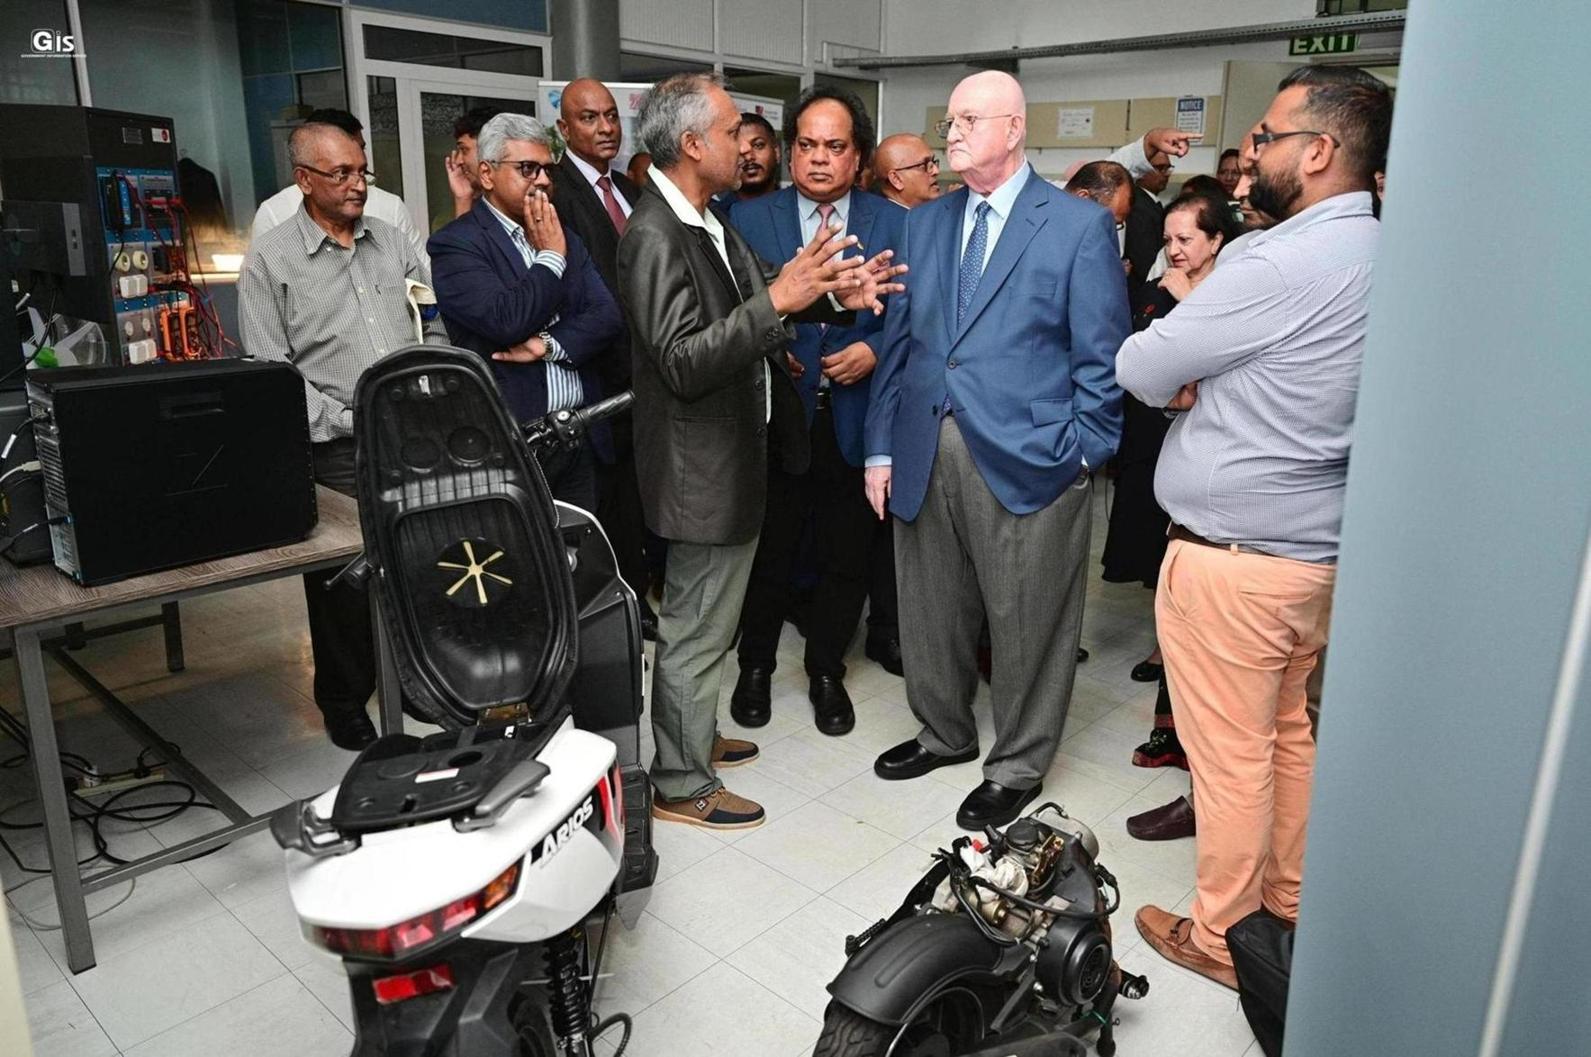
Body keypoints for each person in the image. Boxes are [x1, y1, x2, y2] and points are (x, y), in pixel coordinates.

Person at [1116, 65, 1393, 990]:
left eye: (1268, 137)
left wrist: (1192, 371)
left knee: (1231, 759)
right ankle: (1288, 901)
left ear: (1317, 152)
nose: (1252, 153)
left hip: (1234, 563)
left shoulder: (1275, 260)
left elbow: (1142, 364)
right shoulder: (1382, 248)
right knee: (1286, 736)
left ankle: (1222, 934)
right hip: (1312, 554)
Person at [618, 73, 904, 829]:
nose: (747, 148)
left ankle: (691, 737)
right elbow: (683, 359)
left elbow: (765, 292)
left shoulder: (704, 220)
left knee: (710, 624)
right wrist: (780, 300)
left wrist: (835, 294)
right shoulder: (654, 234)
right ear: (691, 145)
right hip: (700, 470)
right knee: (694, 628)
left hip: (732, 458)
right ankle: (680, 781)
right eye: (728, 134)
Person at [864, 71, 1127, 830]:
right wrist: (880, 449)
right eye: (949, 121)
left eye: (968, 120)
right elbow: (901, 344)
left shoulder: (1075, 225)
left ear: (1013, 129)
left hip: (1032, 455)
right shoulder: (924, 222)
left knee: (1028, 620)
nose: (951, 133)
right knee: (929, 609)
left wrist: (1082, 453)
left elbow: (1101, 356)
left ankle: (1016, 763)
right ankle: (943, 732)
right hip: (924, 443)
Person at [239, 121, 447, 750]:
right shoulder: (272, 259)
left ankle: (415, 683)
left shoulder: (392, 240)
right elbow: (271, 370)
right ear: (304, 180)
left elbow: (432, 319)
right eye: (341, 174)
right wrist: (344, 418)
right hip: (335, 445)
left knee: (417, 565)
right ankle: (344, 698)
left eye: (362, 172)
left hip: (410, 436)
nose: (358, 185)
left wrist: (430, 385)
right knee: (343, 583)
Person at [725, 85, 906, 735]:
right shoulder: (748, 220)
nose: (819, 158)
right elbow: (731, 316)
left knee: (845, 552)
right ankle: (754, 664)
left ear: (858, 156)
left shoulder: (895, 222)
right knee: (767, 549)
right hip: (777, 415)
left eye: (834, 146)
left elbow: (916, 318)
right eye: (806, 145)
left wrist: (873, 349)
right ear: (789, 150)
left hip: (857, 416)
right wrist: (773, 344)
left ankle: (826, 668)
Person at [427, 114, 623, 510]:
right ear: (487, 174)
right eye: (528, 169)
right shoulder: (456, 245)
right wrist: (550, 257)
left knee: (580, 547)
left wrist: (547, 345)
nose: (544, 180)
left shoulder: (564, 234)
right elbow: (506, 320)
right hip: (512, 445)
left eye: (547, 169)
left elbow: (606, 316)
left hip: (579, 435)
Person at [548, 78, 657, 638]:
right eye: (589, 118)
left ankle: (636, 600)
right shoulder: (555, 193)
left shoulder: (632, 191)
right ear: (563, 128)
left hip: (645, 373)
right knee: (605, 502)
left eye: (611, 116)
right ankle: (612, 612)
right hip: (593, 375)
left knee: (637, 497)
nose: (606, 128)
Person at [252, 108, 429, 270]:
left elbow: (422, 277)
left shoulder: (391, 207)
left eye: (361, 148)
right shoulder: (274, 212)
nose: (359, 185)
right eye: (341, 170)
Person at [439, 105, 503, 225]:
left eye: (464, 150)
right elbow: (464, 237)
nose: (458, 161)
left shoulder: (523, 202)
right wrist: (463, 198)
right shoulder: (480, 206)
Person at [872, 133, 942, 209]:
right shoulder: (886, 216)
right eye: (924, 165)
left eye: (933, 162)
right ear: (896, 179)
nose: (936, 171)